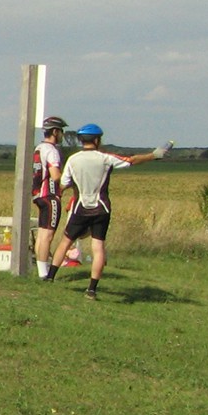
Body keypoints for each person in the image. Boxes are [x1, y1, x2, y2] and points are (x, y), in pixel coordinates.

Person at [46, 124, 173, 298]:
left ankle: (50, 277)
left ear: (81, 140)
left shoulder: (73, 160)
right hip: (101, 209)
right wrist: (154, 155)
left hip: (80, 208)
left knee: (65, 242)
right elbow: (131, 160)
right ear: (97, 140)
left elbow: (63, 183)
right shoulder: (105, 158)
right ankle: (91, 289)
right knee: (98, 247)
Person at [31, 116, 67, 279]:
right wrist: (71, 181)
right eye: (61, 131)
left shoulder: (39, 148)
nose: (62, 135)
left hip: (38, 194)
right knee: (48, 235)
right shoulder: (52, 151)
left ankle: (40, 270)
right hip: (50, 195)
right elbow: (55, 176)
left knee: (41, 234)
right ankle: (44, 273)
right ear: (55, 131)